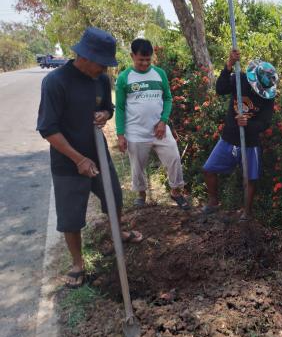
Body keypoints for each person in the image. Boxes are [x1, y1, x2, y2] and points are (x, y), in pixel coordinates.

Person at [37, 27, 143, 288]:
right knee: (71, 216)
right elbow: (48, 129)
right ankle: (77, 263)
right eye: (102, 63)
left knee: (114, 197)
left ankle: (119, 232)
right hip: (67, 161)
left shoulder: (101, 80)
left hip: (98, 152)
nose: (104, 68)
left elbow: (107, 106)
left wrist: (105, 114)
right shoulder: (56, 82)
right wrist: (79, 160)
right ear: (84, 57)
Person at [202, 49, 278, 221]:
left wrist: (249, 124)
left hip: (251, 142)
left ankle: (247, 212)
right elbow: (220, 89)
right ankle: (213, 201)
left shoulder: (268, 96)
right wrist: (228, 65)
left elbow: (265, 123)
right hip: (229, 137)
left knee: (251, 178)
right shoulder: (241, 79)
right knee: (208, 169)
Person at [115, 38, 190, 210]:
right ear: (132, 56)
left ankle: (176, 191)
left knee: (173, 158)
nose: (144, 63)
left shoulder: (159, 74)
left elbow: (168, 98)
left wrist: (163, 121)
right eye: (141, 59)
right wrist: (120, 135)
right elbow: (119, 108)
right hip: (135, 132)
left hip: (160, 130)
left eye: (148, 60)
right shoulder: (124, 78)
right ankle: (141, 195)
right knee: (138, 167)